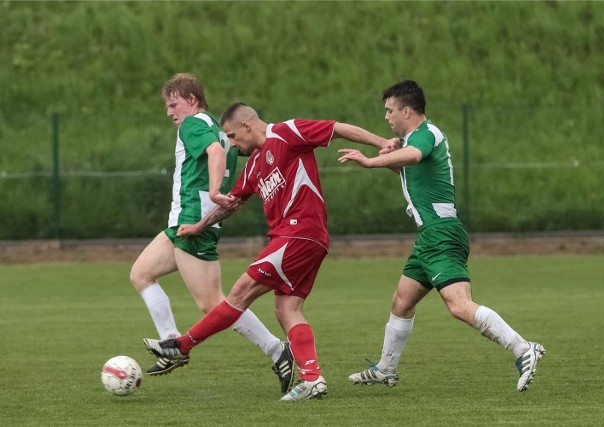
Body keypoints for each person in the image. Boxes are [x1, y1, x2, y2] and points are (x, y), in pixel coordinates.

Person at [143, 101, 398, 400]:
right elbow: (232, 203)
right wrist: (200, 225)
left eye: (234, 137)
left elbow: (337, 129)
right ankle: (313, 379)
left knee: (239, 292)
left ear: (247, 127)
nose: (233, 146)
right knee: (287, 309)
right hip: (303, 239)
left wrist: (382, 142)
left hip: (298, 232)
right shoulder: (253, 166)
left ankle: (181, 345)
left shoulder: (287, 132)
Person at [338, 80, 545, 392]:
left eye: (389, 111)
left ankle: (523, 348)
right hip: (430, 235)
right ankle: (386, 369)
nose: (386, 117)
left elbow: (412, 158)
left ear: (406, 111)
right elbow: (410, 168)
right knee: (402, 301)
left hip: (441, 234)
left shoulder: (426, 135)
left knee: (459, 306)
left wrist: (371, 161)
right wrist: (386, 154)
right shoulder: (416, 140)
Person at [130, 74, 294, 395]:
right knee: (141, 274)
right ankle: (171, 343)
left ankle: (277, 350)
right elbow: (240, 148)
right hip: (184, 223)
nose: (169, 111)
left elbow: (215, 155)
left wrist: (217, 191)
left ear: (192, 100)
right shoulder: (223, 132)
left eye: (173, 104)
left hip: (193, 222)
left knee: (214, 304)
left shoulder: (192, 126)